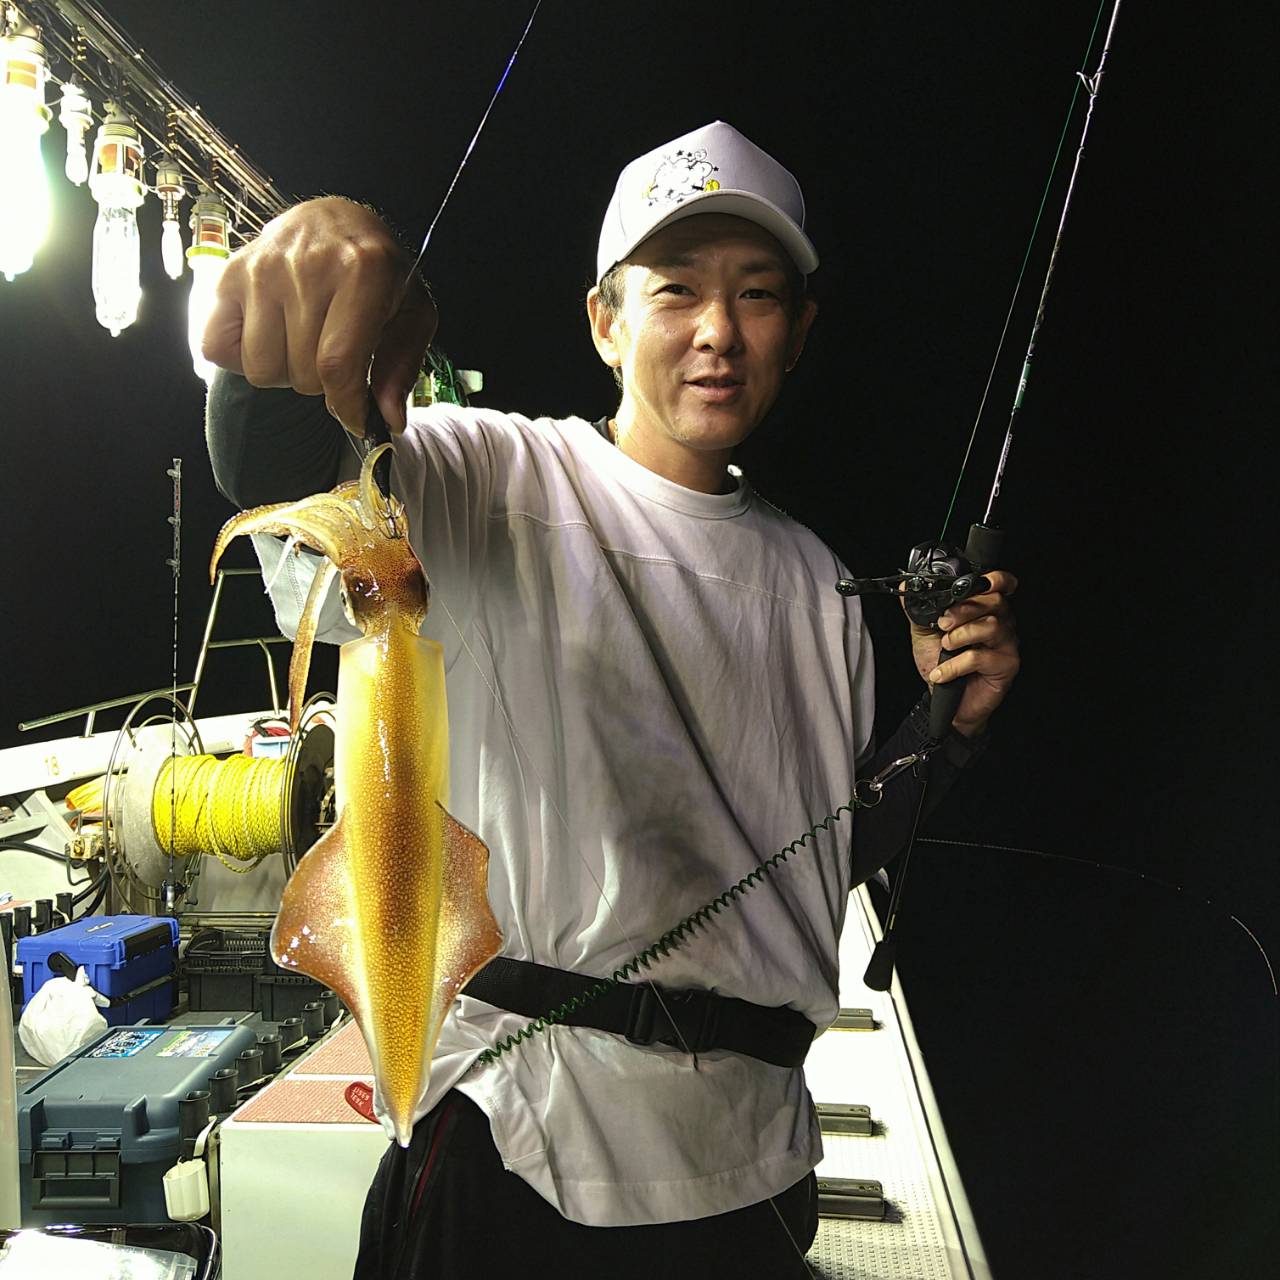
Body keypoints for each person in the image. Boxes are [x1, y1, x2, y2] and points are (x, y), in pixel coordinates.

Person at [203, 120, 1019, 1278]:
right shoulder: (485, 476)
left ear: (798, 330)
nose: (717, 330)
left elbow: (814, 853)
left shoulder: (822, 584)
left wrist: (944, 736)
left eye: (756, 294)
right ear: (604, 320)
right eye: (675, 288)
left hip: (753, 1166)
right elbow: (284, 461)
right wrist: (307, 289)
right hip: (515, 1141)